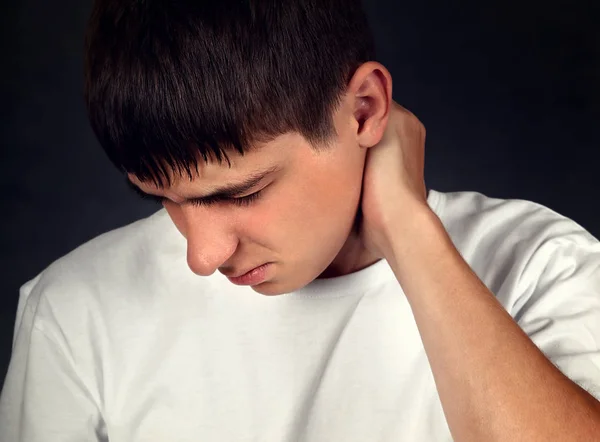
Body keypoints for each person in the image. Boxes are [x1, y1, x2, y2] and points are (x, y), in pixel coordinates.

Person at [1, 0, 599, 440]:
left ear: (364, 110)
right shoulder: (72, 311)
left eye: (242, 193)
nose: (202, 256)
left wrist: (408, 230)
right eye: (161, 198)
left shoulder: (541, 265)